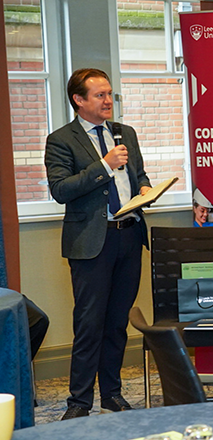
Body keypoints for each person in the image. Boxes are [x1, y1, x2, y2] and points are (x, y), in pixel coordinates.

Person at [44, 68, 152, 420]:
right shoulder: (61, 140)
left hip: (129, 235)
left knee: (117, 321)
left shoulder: (125, 134)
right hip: (92, 243)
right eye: (100, 95)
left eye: (110, 94)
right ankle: (78, 402)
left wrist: (146, 189)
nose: (108, 101)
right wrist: (103, 165)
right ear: (79, 100)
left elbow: (139, 174)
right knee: (89, 323)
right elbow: (61, 190)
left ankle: (112, 394)